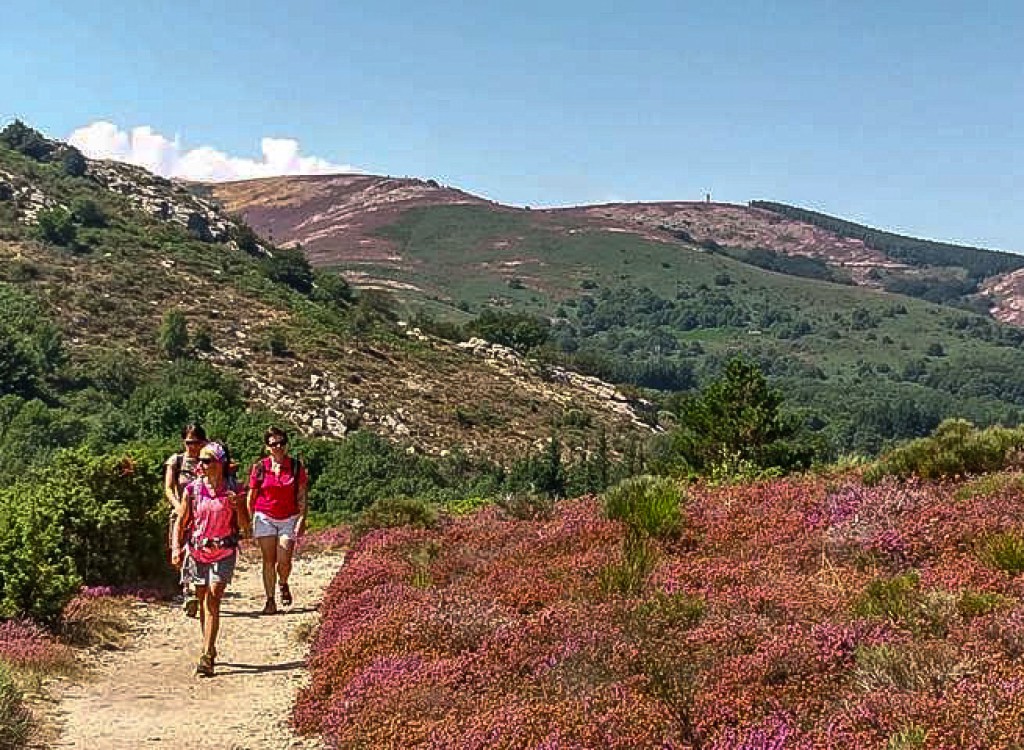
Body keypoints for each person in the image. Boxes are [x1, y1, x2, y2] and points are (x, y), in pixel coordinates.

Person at [171, 442, 251, 677]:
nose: (201, 465)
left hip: (224, 551)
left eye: (207, 461)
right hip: (197, 552)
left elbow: (246, 528)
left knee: (213, 599)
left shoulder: (234, 489)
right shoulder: (193, 490)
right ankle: (210, 645)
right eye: (200, 461)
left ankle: (206, 654)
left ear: (220, 464)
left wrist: (238, 508)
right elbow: (181, 521)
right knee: (203, 597)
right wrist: (176, 548)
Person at [247, 426, 309, 615]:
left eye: (281, 443)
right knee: (268, 560)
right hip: (264, 516)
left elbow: (302, 496)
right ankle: (270, 600)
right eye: (274, 444)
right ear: (267, 447)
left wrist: (302, 519)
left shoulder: (296, 467)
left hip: (288, 517)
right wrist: (251, 521)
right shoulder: (260, 468)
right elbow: (252, 495)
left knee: (284, 559)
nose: (278, 447)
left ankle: (283, 582)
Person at [164, 424, 207, 617]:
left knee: (199, 551)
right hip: (181, 511)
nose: (193, 446)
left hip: (203, 513)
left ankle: (191, 591)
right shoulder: (176, 461)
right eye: (189, 442)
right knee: (178, 552)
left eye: (196, 442)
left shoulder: (208, 461)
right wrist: (177, 505)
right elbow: (168, 487)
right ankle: (187, 588)